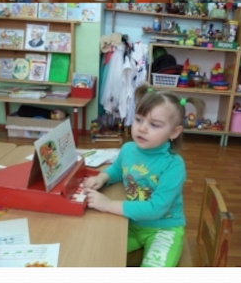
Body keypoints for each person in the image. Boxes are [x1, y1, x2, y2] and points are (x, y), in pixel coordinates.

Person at [82, 85, 202, 267]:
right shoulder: (128, 149)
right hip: (131, 223)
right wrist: (102, 178)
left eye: (154, 125)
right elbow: (118, 170)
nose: (142, 128)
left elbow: (155, 208)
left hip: (163, 229)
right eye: (138, 120)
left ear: (174, 132)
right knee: (95, 253)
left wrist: (108, 205)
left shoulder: (174, 165)